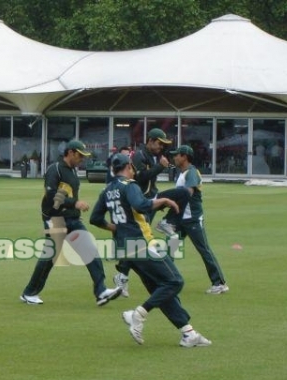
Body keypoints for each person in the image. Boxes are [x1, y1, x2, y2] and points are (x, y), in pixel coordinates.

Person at [90, 153, 212, 347]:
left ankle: (188, 333)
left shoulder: (107, 190)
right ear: (129, 166)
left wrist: (116, 228)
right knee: (174, 281)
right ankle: (137, 315)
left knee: (160, 288)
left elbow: (95, 218)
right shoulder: (129, 185)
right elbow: (141, 204)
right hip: (141, 243)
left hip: (124, 247)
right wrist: (163, 201)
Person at [20, 139, 122, 306]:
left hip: (72, 219)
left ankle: (101, 291)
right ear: (71, 153)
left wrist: (74, 211)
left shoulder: (73, 171)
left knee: (90, 251)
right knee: (50, 257)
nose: (82, 159)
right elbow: (52, 195)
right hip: (54, 219)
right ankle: (29, 293)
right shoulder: (55, 169)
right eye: (80, 155)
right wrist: (74, 204)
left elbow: (68, 194)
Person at [113, 129, 190, 296]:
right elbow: (140, 177)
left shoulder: (152, 155)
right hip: (140, 203)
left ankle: (167, 222)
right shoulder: (139, 155)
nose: (161, 147)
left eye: (163, 144)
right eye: (159, 143)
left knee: (183, 193)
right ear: (150, 141)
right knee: (137, 242)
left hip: (153, 197)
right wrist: (159, 167)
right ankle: (122, 276)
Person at [156, 145, 228, 294]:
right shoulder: (182, 173)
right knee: (171, 249)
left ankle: (220, 283)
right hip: (181, 220)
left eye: (177, 155)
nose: (174, 158)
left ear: (184, 157)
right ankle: (167, 281)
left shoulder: (192, 172)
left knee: (204, 250)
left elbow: (187, 192)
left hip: (192, 219)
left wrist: (165, 197)